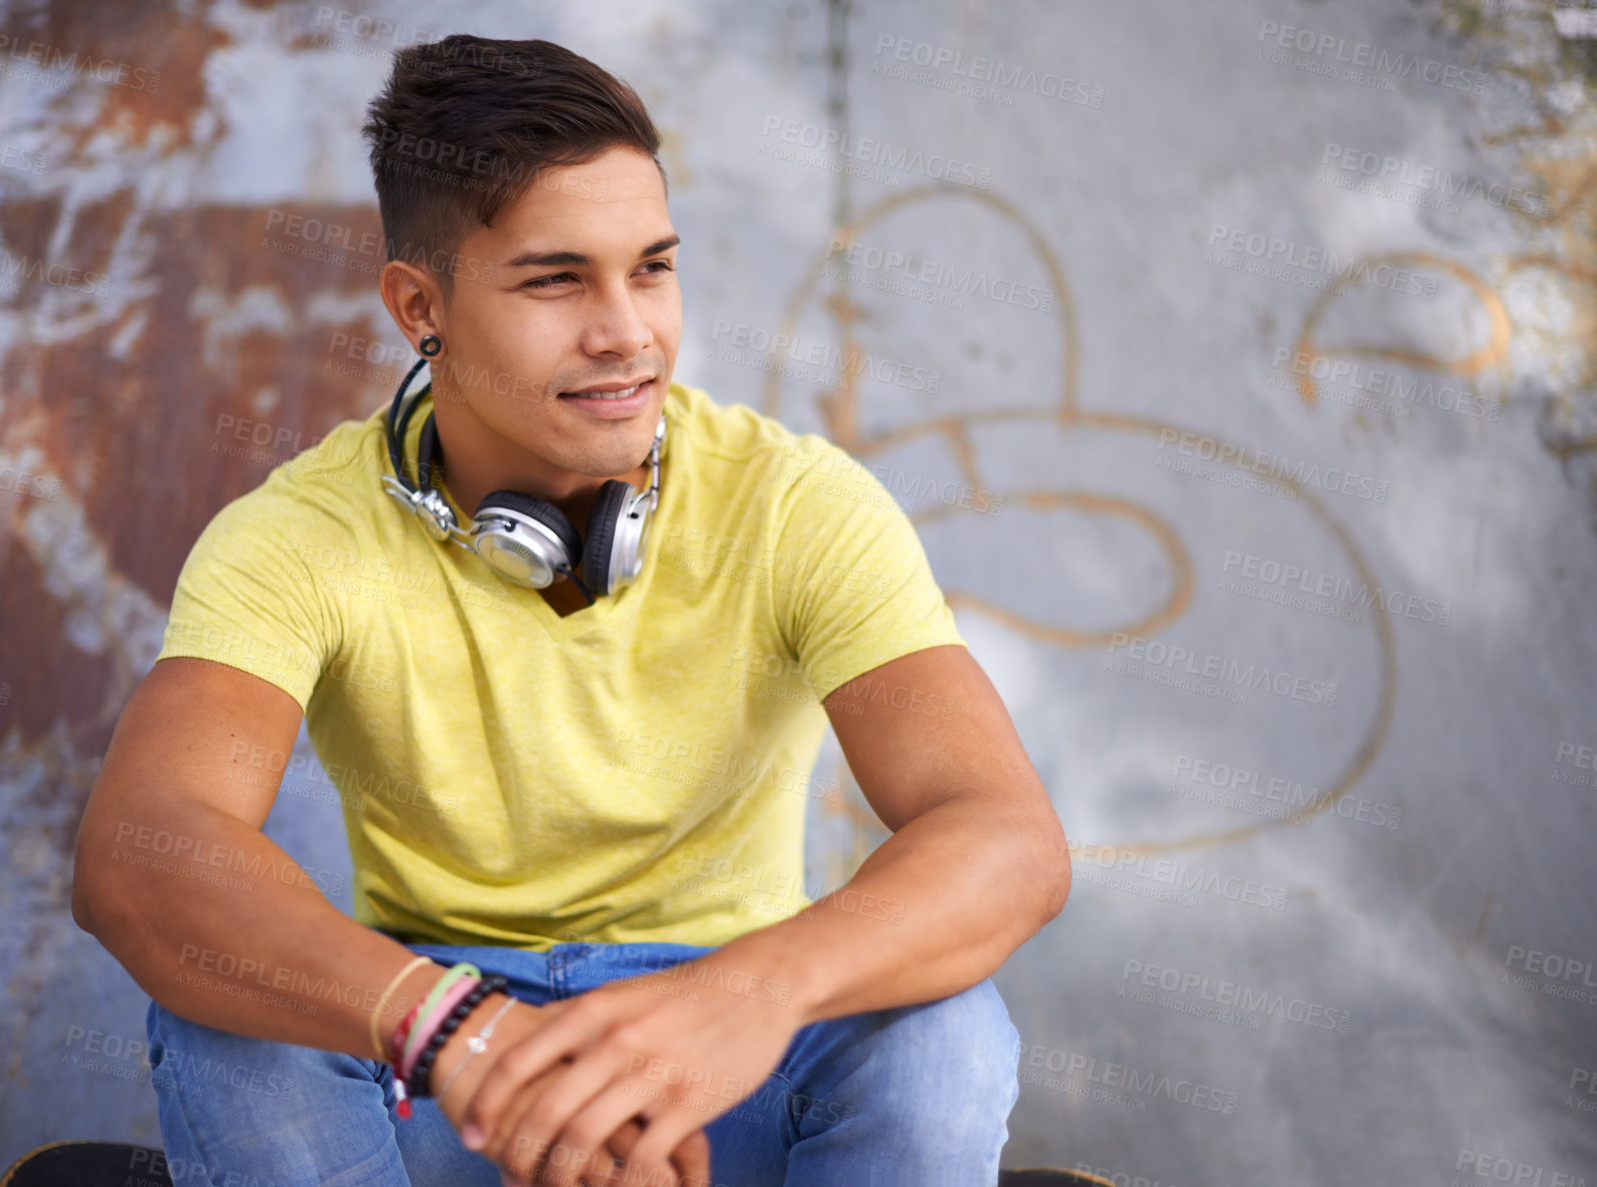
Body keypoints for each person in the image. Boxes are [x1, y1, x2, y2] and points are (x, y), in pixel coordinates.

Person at [71, 32, 1070, 1187]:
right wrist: (451, 1031)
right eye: (557, 279)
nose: (627, 331)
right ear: (417, 306)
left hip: (725, 1074)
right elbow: (141, 853)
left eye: (650, 267)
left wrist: (747, 995)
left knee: (944, 1030)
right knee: (226, 1024)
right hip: (444, 1075)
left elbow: (1005, 837)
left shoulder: (798, 504)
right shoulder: (296, 535)